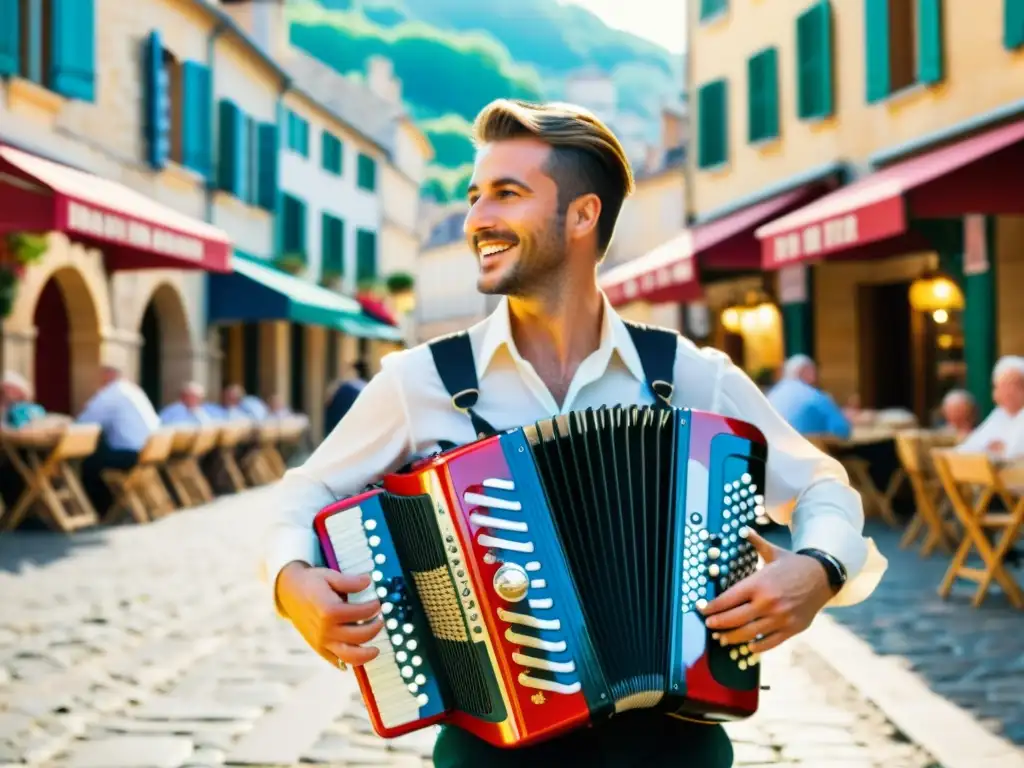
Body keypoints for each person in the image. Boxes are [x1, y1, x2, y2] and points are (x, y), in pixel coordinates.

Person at [263, 99, 887, 768]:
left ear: (584, 214)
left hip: (672, 743)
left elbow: (824, 486)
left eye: (507, 193)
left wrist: (819, 569)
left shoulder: (685, 373)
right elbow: (302, 494)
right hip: (491, 748)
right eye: (475, 197)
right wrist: (291, 581)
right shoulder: (422, 381)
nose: (478, 219)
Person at [77, 365, 161, 514]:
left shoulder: (112, 392)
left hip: (132, 454)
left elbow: (85, 421)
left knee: (88, 463)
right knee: (98, 457)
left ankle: (99, 511)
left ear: (107, 376)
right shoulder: (135, 391)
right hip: (150, 452)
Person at [766, 354, 852, 440]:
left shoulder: (772, 395)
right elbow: (842, 430)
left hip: (773, 450)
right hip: (806, 451)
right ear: (808, 372)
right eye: (815, 371)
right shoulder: (815, 396)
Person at [957, 356, 1024, 460]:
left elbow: (1014, 456)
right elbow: (968, 448)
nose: (1003, 393)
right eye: (999, 387)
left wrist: (1001, 451)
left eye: (1010, 386)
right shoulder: (1000, 414)